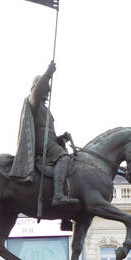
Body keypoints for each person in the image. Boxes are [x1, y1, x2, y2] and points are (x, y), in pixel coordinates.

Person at [13, 60, 76, 207]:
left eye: (48, 90)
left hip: (50, 143)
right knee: (64, 158)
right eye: (45, 89)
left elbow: (50, 133)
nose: (47, 92)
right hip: (42, 144)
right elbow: (37, 91)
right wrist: (48, 73)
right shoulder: (33, 102)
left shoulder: (46, 110)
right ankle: (58, 196)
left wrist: (61, 137)